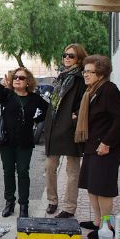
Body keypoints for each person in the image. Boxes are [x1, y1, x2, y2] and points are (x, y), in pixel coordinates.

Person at [75, 55, 120, 239]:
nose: (86, 75)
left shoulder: (109, 90)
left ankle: (107, 226)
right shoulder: (91, 90)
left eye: (90, 72)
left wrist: (106, 143)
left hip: (106, 148)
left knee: (103, 188)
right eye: (85, 71)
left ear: (101, 73)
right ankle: (97, 222)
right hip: (92, 145)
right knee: (92, 186)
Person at [0, 68, 49, 218]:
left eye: (21, 78)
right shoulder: (7, 95)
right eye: (15, 77)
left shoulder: (35, 98)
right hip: (6, 141)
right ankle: (9, 203)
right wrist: (1, 83)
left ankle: (24, 205)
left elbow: (47, 110)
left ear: (28, 82)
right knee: (8, 171)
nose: (17, 79)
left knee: (23, 172)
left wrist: (37, 120)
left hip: (25, 142)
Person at [43, 44, 87, 218]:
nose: (67, 58)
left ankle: (69, 207)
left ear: (79, 59)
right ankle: (52, 200)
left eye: (71, 56)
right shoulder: (61, 77)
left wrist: (74, 116)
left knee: (72, 171)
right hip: (54, 128)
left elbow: (85, 101)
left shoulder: (81, 78)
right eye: (65, 55)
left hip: (70, 129)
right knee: (50, 166)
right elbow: (54, 103)